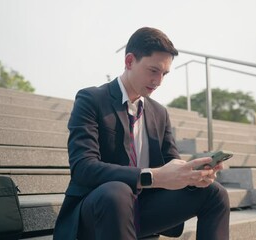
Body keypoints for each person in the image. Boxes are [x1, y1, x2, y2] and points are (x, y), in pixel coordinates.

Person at [53, 27, 230, 240]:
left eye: (164, 73)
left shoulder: (159, 113)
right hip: (99, 211)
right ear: (129, 62)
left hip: (143, 210)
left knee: (216, 193)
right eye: (153, 70)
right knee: (117, 192)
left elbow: (172, 164)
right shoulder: (92, 99)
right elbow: (83, 168)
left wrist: (193, 175)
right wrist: (151, 176)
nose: (159, 81)